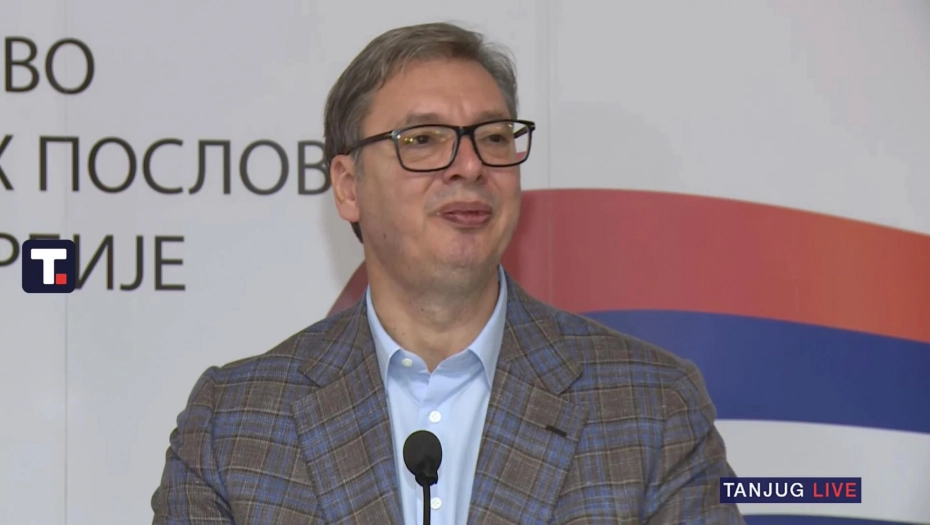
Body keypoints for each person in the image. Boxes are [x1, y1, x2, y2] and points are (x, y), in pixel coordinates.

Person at [152, 21, 745, 524]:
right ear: (349, 187)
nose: (469, 166)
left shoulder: (650, 407)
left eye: (493, 137)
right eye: (424, 140)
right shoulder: (234, 424)